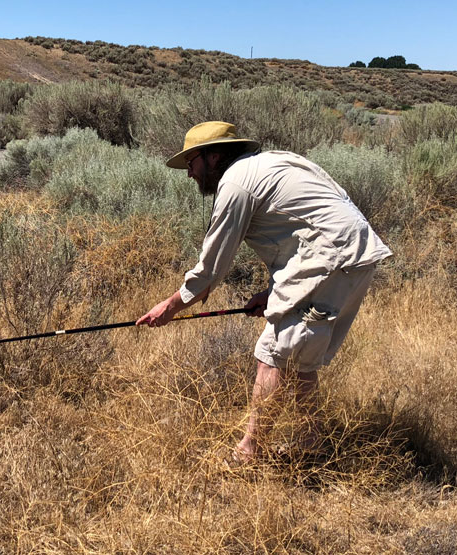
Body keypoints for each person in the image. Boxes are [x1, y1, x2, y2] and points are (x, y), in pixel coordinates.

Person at [136, 121, 392, 464]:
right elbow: (301, 231)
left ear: (213, 158)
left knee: (272, 352)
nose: (189, 174)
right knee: (299, 354)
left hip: (334, 258)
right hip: (351, 255)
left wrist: (170, 307)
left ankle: (249, 452)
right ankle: (310, 445)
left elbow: (212, 267)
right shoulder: (269, 164)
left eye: (191, 163)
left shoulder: (237, 184)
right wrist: (273, 292)